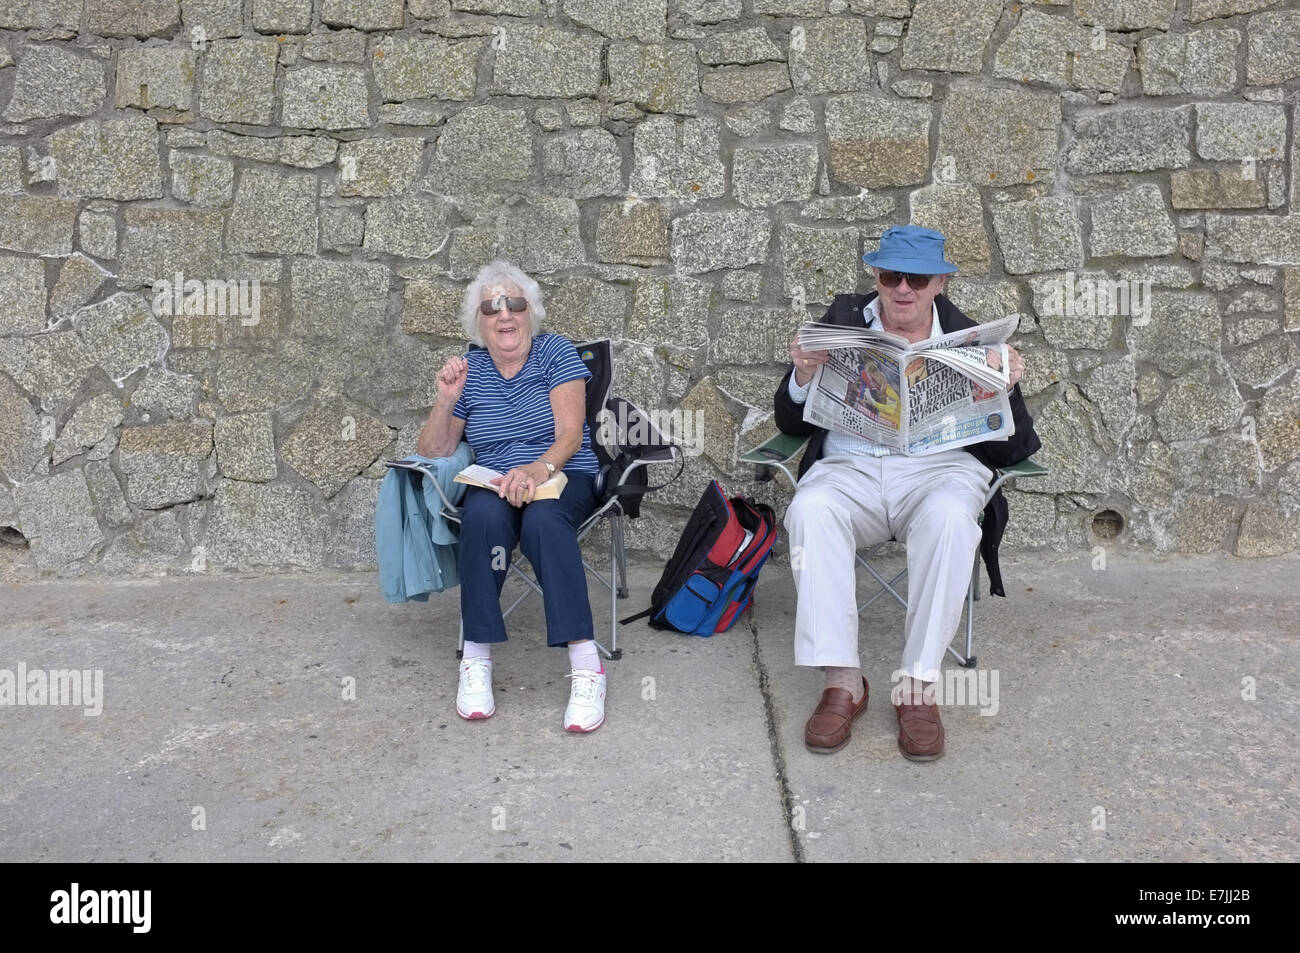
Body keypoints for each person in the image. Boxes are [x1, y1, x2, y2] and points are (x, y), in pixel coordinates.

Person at [775, 225, 1040, 761]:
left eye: (916, 278)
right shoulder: (843, 323)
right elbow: (789, 421)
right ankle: (843, 682)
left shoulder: (973, 339)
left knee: (949, 517)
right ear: (876, 275)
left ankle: (918, 687)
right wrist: (802, 376)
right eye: (890, 275)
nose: (902, 289)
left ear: (939, 281)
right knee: (811, 507)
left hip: (938, 474)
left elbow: (1016, 453)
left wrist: (1006, 391)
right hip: (851, 469)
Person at [416, 260, 606, 732]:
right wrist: (445, 400)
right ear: (478, 322)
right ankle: (475, 658)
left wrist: (535, 470)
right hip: (494, 481)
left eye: (514, 304)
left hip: (559, 472)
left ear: (530, 312)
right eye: (492, 307)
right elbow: (433, 452)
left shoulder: (556, 354)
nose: (505, 315)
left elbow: (569, 435)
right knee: (480, 518)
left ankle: (586, 666)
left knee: (543, 521)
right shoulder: (471, 370)